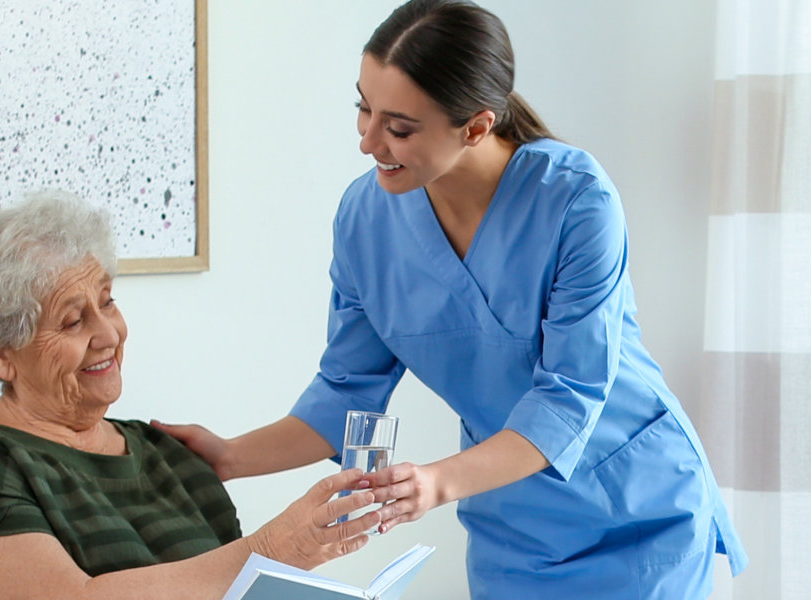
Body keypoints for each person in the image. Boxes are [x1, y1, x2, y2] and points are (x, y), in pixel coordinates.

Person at [153, 1, 749, 597]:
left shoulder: (576, 201)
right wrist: (230, 457)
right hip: (509, 526)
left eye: (399, 127)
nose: (367, 141)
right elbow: (345, 393)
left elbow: (567, 400)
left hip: (637, 515)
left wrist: (434, 484)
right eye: (363, 107)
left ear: (476, 126)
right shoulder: (366, 219)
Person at [0, 190, 381, 600]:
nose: (108, 334)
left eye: (107, 302)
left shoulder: (169, 458)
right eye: (72, 320)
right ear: (0, 354)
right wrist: (271, 552)